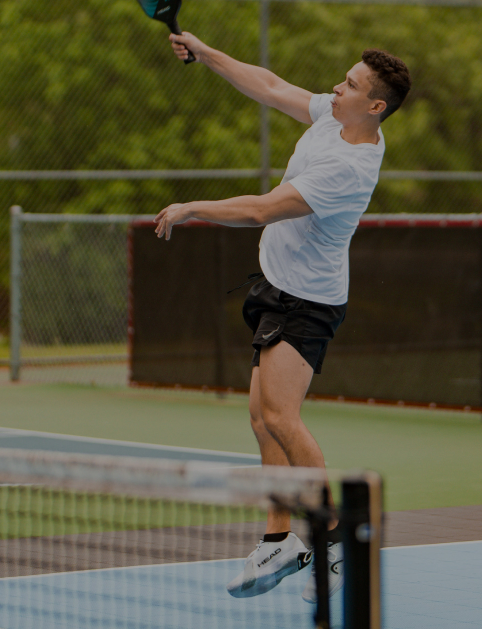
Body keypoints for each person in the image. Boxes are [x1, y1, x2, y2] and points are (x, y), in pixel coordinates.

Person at [154, 32, 411, 603]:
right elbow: (269, 86)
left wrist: (194, 206)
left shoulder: (350, 166)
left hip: (308, 302)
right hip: (276, 287)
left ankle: (338, 547)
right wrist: (206, 52)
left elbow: (261, 210)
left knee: (282, 417)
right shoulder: (333, 117)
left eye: (350, 85)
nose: (335, 87)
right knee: (262, 419)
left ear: (375, 107)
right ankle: (278, 540)